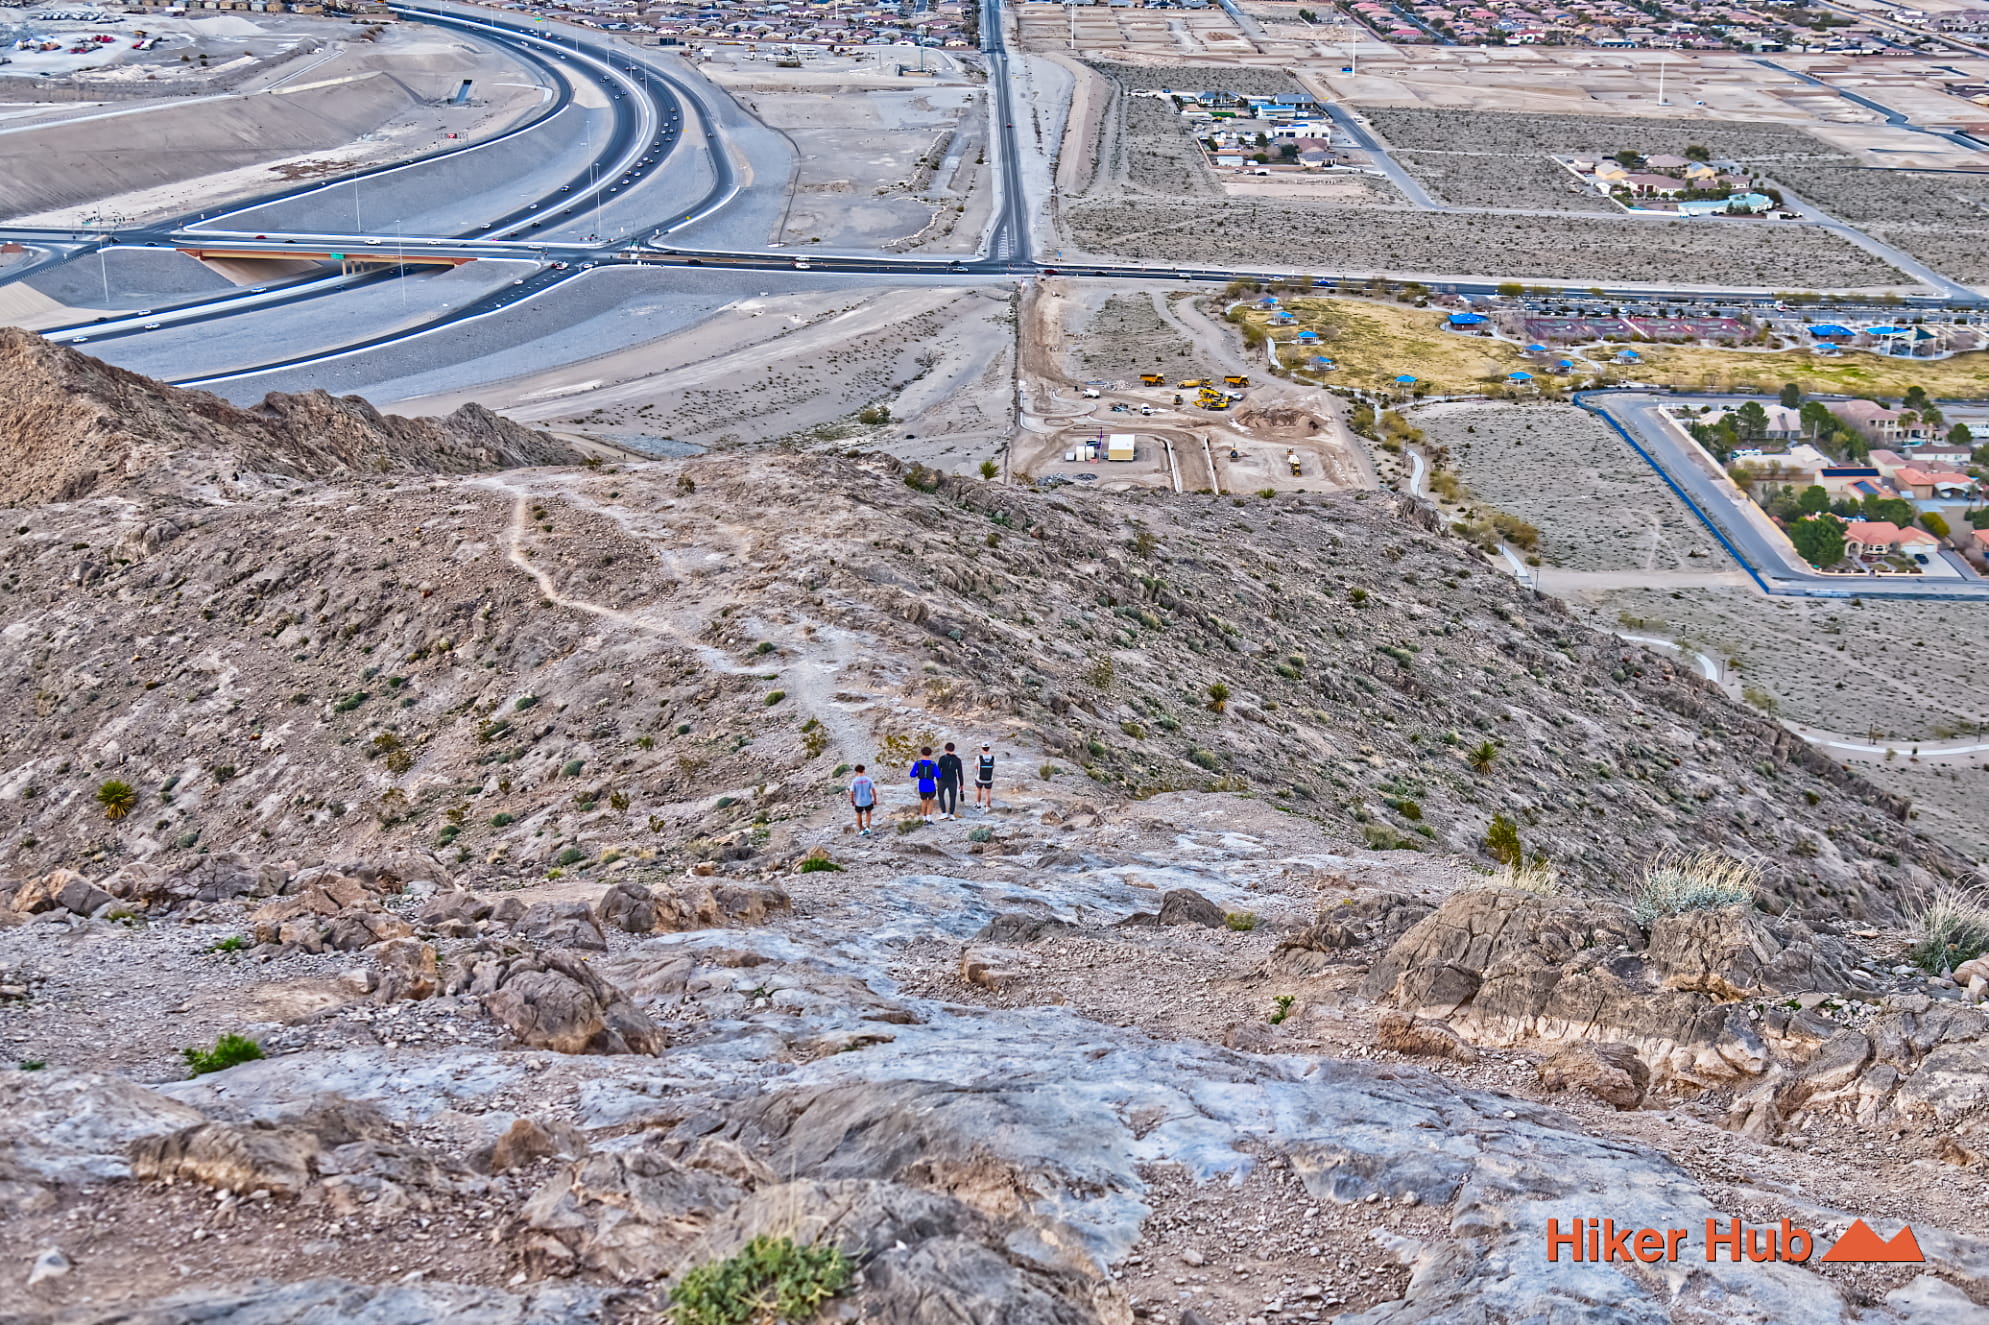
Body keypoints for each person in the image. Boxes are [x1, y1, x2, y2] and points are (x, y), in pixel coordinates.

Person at [909, 747, 940, 823]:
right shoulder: (933, 764)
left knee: (923, 801)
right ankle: (929, 818)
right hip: (931, 785)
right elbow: (938, 775)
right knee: (931, 801)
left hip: (922, 785)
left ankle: (924, 817)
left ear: (922, 753)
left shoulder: (918, 763)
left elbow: (912, 774)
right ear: (930, 754)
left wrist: (918, 773)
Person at [935, 742, 964, 820]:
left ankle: (944, 813)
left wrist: (938, 779)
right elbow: (960, 772)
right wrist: (961, 784)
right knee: (953, 797)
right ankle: (951, 814)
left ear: (945, 749)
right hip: (953, 780)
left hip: (943, 779)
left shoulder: (942, 758)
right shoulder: (957, 760)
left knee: (941, 796)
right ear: (953, 749)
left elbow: (938, 770)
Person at [848, 764, 876, 835]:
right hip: (868, 800)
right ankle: (868, 828)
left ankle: (861, 830)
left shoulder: (854, 781)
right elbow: (873, 790)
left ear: (856, 771)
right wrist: (875, 799)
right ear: (864, 770)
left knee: (859, 815)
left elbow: (851, 792)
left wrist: (852, 800)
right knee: (868, 813)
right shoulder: (868, 779)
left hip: (858, 801)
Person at [974, 744, 995, 810]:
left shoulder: (978, 757)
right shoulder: (993, 757)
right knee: (988, 792)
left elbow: (976, 766)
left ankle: (978, 804)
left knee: (978, 790)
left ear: (982, 748)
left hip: (979, 778)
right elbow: (993, 766)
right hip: (989, 778)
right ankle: (987, 807)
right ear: (989, 748)